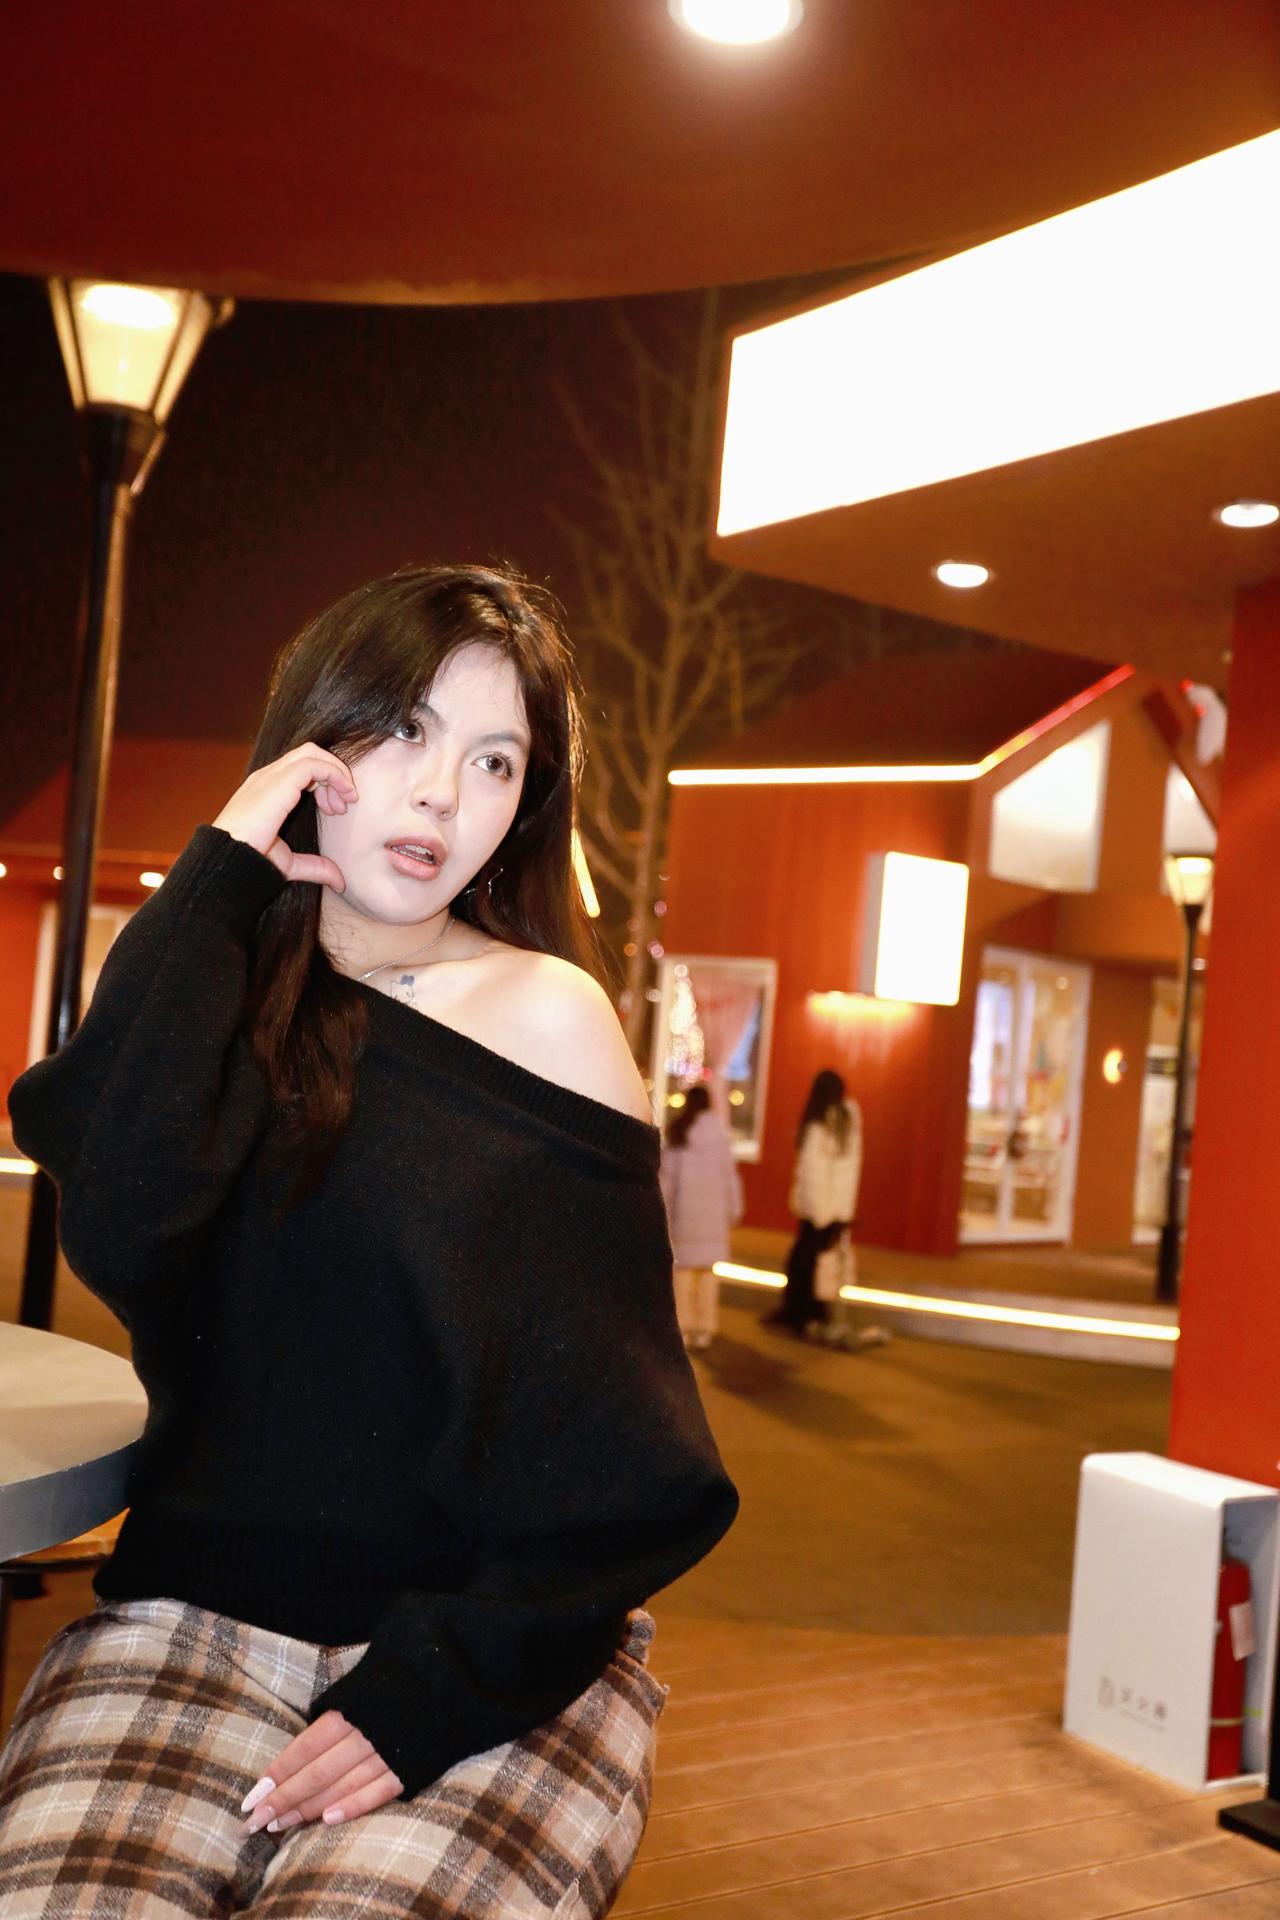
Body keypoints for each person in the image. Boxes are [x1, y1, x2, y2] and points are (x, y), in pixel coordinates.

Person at [0, 563, 739, 1919]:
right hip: (195, 1621)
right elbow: (120, 1218)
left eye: (495, 761)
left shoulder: (545, 1016)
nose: (442, 794)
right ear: (312, 737)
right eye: (404, 729)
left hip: (490, 1650)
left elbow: (624, 1463)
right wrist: (221, 873)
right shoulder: (215, 989)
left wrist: (432, 1695)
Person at [764, 1068, 888, 1349]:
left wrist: (819, 1214)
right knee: (824, 1264)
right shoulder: (848, 1123)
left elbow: (813, 1174)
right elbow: (847, 1171)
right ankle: (819, 1315)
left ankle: (800, 1316)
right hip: (838, 1210)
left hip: (817, 1211)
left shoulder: (818, 1124)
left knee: (803, 1264)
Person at [659, 1083, 744, 1353]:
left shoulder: (678, 1133)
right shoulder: (720, 1135)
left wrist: (663, 1212)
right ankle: (705, 1327)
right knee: (707, 1273)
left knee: (682, 1273)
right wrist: (734, 1209)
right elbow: (730, 1177)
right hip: (713, 1217)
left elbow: (667, 1180)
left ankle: (683, 1327)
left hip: (685, 1216)